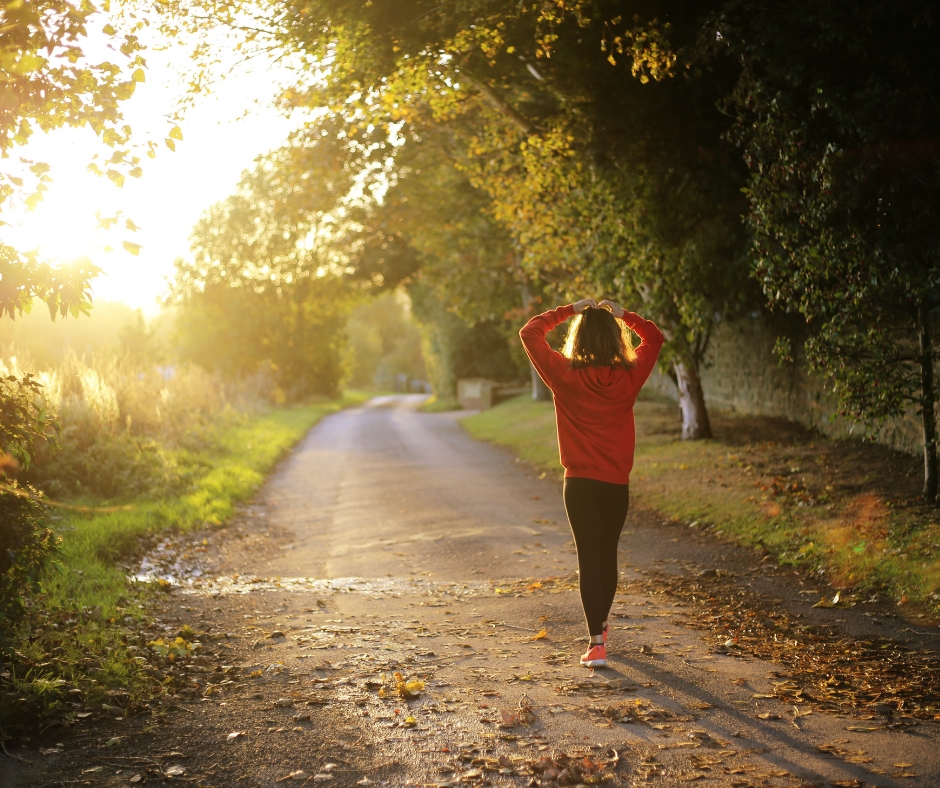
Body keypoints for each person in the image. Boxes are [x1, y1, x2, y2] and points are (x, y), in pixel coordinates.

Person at [519, 298, 664, 668]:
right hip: (616, 483)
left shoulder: (563, 374)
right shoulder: (630, 375)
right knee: (607, 555)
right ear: (616, 339)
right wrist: (625, 315)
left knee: (589, 558)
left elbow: (530, 333)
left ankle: (596, 643)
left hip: (580, 484)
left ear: (578, 338)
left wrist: (569, 310)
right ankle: (599, 629)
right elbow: (655, 337)